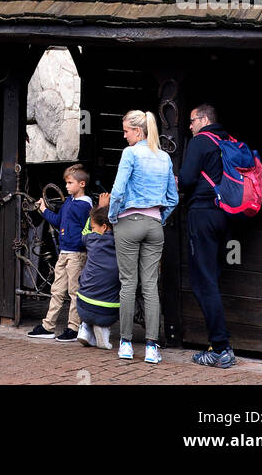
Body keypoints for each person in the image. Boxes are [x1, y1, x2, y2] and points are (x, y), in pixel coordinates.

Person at [108, 108, 179, 365]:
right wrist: (160, 217)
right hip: (154, 224)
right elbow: (173, 198)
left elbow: (117, 191)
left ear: (138, 131)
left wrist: (114, 216)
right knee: (150, 286)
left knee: (128, 284)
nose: (125, 136)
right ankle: (151, 346)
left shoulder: (130, 153)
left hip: (128, 221)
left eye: (127, 131)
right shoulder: (164, 158)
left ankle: (126, 343)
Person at [179, 103, 237, 369]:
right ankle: (218, 345)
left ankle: (221, 349)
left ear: (203, 119)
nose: (189, 126)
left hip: (201, 213)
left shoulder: (201, 142)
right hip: (224, 214)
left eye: (191, 121)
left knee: (203, 282)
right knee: (212, 277)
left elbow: (188, 178)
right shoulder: (228, 140)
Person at [27, 165, 93, 341]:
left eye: (70, 183)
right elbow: (58, 221)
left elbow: (89, 230)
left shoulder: (85, 206)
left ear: (82, 184)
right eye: (66, 183)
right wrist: (43, 210)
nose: (66, 186)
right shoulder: (69, 203)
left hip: (77, 254)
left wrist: (81, 245)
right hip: (65, 252)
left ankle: (73, 327)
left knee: (74, 291)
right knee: (56, 290)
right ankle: (48, 326)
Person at [74, 204, 120, 349]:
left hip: (83, 306)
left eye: (94, 227)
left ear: (104, 227)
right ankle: (103, 330)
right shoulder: (122, 244)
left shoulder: (92, 239)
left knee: (84, 279)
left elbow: (84, 233)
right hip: (108, 312)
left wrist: (101, 206)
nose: (92, 230)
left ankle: (85, 327)